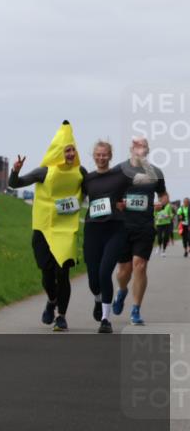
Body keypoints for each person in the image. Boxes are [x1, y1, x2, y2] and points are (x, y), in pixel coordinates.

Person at [8, 121, 86, 332]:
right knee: (47, 273)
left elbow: (93, 189)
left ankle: (61, 316)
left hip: (66, 230)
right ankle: (52, 300)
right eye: (67, 150)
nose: (71, 154)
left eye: (73, 150)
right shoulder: (44, 172)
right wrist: (15, 171)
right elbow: (14, 184)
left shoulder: (80, 172)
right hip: (43, 228)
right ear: (58, 152)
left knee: (63, 274)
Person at [113, 138, 168, 325]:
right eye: (136, 145)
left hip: (145, 226)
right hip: (123, 226)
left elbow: (163, 195)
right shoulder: (119, 170)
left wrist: (162, 203)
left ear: (147, 150)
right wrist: (117, 204)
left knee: (140, 265)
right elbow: (109, 194)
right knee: (124, 271)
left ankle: (136, 309)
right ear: (131, 149)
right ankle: (122, 290)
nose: (140, 149)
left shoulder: (156, 173)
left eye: (143, 146)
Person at [81, 140, 134, 333]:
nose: (101, 158)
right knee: (93, 278)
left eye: (105, 154)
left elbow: (137, 191)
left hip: (115, 229)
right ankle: (98, 298)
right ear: (94, 156)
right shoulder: (88, 179)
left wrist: (127, 201)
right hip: (93, 229)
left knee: (105, 272)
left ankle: (105, 319)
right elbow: (77, 197)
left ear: (110, 156)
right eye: (98, 154)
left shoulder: (120, 176)